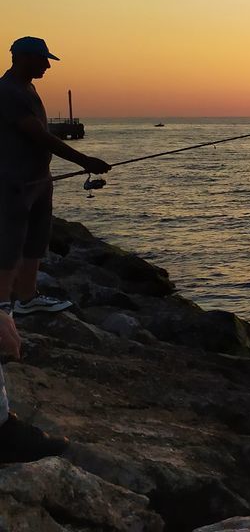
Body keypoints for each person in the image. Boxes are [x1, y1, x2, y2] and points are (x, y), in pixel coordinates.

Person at [0, 35, 111, 462]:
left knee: (36, 242)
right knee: (8, 246)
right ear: (21, 57)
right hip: (12, 184)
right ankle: (4, 306)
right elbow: (39, 136)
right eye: (42, 60)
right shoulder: (7, 92)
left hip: (38, 181)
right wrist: (84, 161)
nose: (48, 66)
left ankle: (25, 300)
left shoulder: (29, 89)